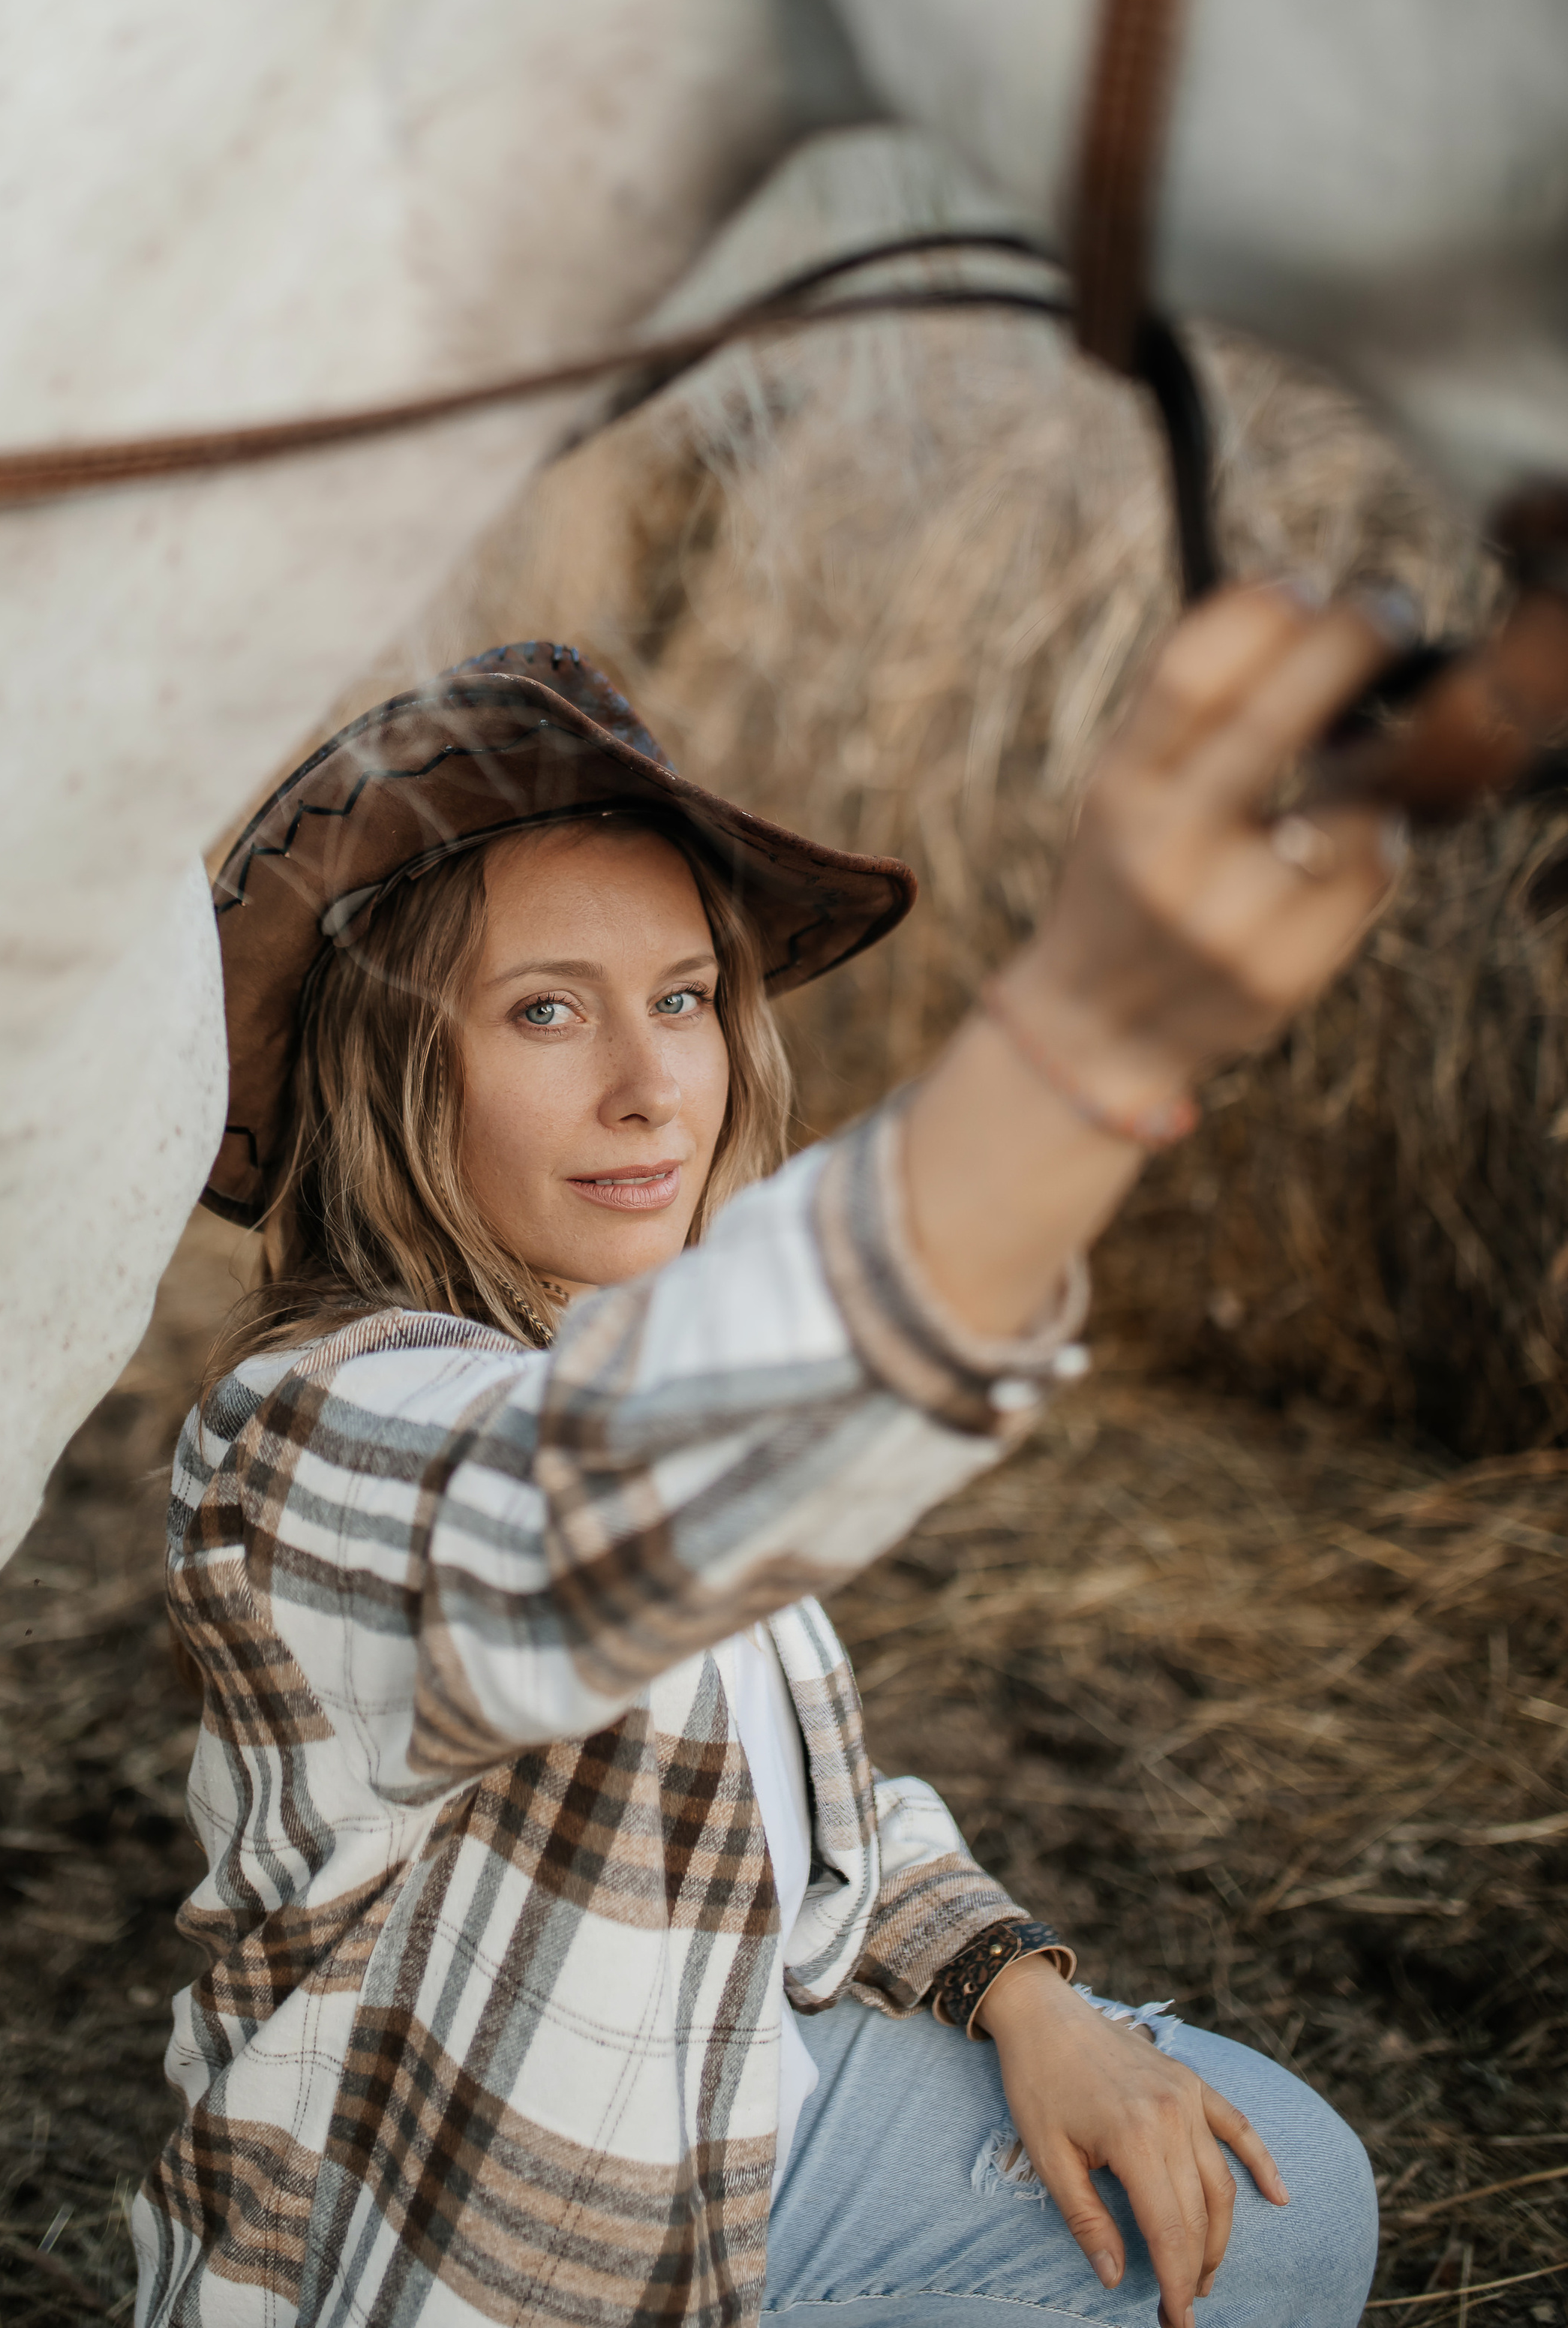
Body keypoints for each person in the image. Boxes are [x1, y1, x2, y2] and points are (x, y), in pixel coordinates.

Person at [135, 593, 1387, 2328]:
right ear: (385, 1066)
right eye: (547, 1015)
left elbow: (794, 1790)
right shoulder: (304, 1435)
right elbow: (600, 1511)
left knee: (1282, 2183)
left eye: (683, 995)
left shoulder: (584, 1343)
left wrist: (1025, 1994)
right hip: (494, 2250)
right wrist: (1086, 1034)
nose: (660, 1084)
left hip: (729, 2092)